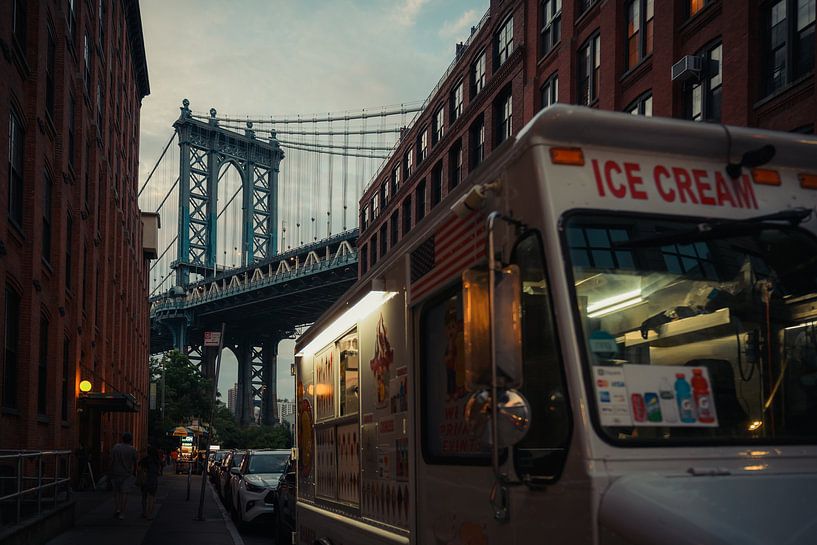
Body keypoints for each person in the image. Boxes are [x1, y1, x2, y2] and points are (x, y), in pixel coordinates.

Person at [109, 432, 138, 520]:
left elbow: (111, 460)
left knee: (116, 492)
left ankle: (117, 508)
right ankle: (122, 512)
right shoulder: (133, 449)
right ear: (130, 440)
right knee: (124, 493)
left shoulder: (116, 447)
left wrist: (109, 470)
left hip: (115, 472)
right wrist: (134, 471)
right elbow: (135, 462)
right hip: (127, 474)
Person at [138, 446, 161, 519]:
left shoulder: (144, 460)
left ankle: (144, 512)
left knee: (144, 497)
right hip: (153, 480)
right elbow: (159, 472)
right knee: (152, 498)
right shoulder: (157, 461)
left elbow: (139, 469)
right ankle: (149, 514)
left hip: (144, 480)